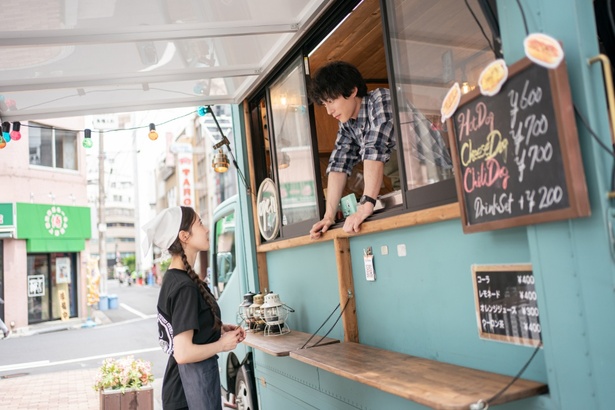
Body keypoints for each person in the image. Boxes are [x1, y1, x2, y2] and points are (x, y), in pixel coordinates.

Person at [142, 206, 245, 410]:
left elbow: (184, 329)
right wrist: (222, 345)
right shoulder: (184, 287)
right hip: (189, 395)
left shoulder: (174, 278)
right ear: (184, 236)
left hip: (184, 389)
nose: (206, 230)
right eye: (200, 224)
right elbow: (184, 353)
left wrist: (216, 328)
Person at [308, 61, 397, 239]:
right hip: (405, 185)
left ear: (352, 90)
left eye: (331, 101)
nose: (328, 111)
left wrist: (366, 204)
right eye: (324, 104)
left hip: (437, 179)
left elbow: (374, 149)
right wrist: (328, 217)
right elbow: (338, 165)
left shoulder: (380, 99)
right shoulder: (348, 125)